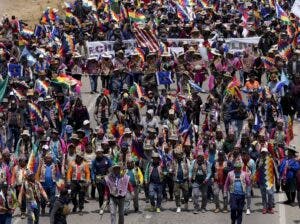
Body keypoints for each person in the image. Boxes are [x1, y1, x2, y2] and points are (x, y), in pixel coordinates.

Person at [256, 147, 277, 214]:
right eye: (262, 153)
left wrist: (278, 178)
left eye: (265, 153)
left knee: (270, 194)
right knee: (263, 195)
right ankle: (264, 207)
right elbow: (256, 170)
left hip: (269, 180)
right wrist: (256, 179)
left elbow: (275, 169)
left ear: (267, 153)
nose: (264, 154)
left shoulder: (271, 160)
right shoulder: (258, 160)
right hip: (262, 180)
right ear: (261, 153)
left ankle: (270, 207)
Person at [91, 147, 112, 215]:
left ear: (102, 153)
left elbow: (111, 166)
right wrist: (93, 180)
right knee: (101, 194)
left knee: (108, 193)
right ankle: (101, 208)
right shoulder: (94, 161)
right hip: (99, 179)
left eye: (100, 152)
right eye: (97, 153)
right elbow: (92, 171)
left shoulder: (106, 159)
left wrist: (110, 174)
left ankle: (108, 205)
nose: (99, 154)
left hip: (107, 178)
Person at [170, 146, 189, 213]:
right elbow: (171, 168)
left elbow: (189, 168)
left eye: (180, 154)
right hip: (176, 180)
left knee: (186, 193)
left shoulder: (186, 160)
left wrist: (189, 177)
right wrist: (170, 171)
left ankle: (186, 202)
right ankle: (178, 206)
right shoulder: (173, 161)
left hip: (184, 180)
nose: (179, 155)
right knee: (177, 194)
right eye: (177, 154)